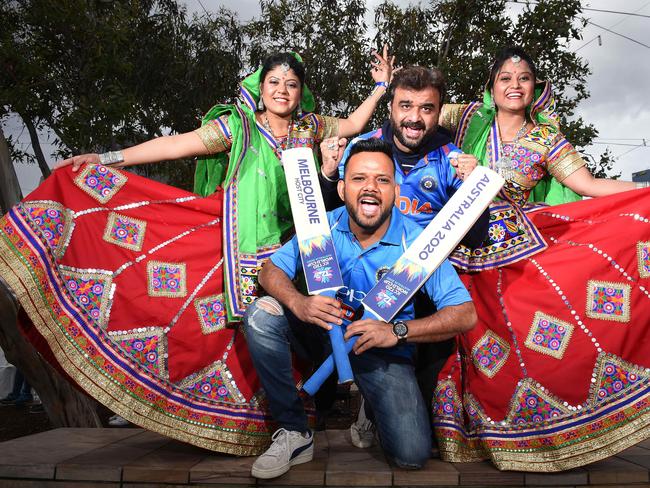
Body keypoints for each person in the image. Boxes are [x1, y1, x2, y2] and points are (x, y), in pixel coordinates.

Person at [0, 50, 393, 456]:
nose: (282, 90)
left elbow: (352, 123)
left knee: (309, 339)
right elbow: (177, 146)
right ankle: (262, 430)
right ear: (260, 89)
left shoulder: (309, 129)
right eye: (274, 82)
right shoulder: (237, 127)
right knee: (224, 337)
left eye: (291, 84)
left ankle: (306, 425)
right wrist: (107, 158)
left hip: (301, 256)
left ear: (300, 94)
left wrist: (380, 87)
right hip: (236, 252)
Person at [429, 46, 650, 471]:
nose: (514, 85)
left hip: (511, 254)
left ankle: (531, 435)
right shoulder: (467, 119)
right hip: (451, 248)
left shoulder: (546, 138)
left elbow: (587, 185)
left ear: (535, 88)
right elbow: (418, 107)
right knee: (446, 344)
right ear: (491, 88)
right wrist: (384, 86)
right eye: (505, 79)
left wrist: (643, 192)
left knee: (519, 347)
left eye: (524, 78)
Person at [242, 138, 476, 479]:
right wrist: (299, 302)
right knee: (262, 315)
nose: (371, 188)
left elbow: (464, 313)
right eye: (359, 179)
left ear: (395, 191)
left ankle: (371, 406)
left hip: (379, 349)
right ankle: (295, 431)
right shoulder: (322, 227)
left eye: (382, 180)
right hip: (325, 336)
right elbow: (270, 271)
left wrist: (395, 332)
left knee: (411, 455)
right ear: (341, 188)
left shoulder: (417, 242)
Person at [319, 65, 489, 448]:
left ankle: (381, 407)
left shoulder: (453, 158)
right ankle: (350, 398)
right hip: (362, 272)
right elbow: (330, 214)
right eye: (406, 106)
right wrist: (330, 176)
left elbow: (477, 238)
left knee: (419, 421)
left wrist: (473, 190)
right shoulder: (362, 147)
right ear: (391, 107)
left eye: (426, 108)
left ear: (438, 111)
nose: (414, 117)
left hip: (421, 281)